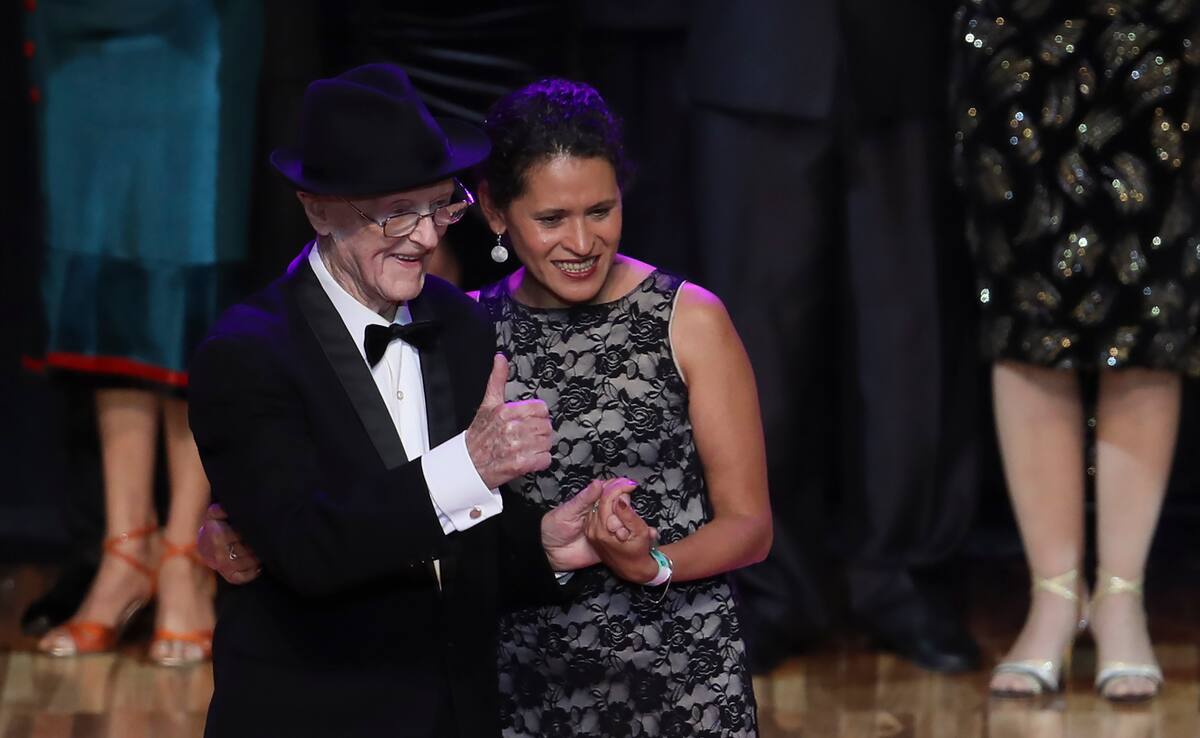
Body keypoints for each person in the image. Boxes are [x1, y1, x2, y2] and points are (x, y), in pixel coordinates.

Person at [202, 77, 772, 736]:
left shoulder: (457, 324)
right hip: (334, 709)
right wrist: (231, 529)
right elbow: (308, 540)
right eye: (395, 213)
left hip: (482, 701)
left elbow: (470, 541)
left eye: (437, 208)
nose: (422, 238)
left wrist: (549, 546)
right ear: (319, 210)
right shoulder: (249, 350)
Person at [685, 0, 982, 673]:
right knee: (755, 348)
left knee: (909, 343)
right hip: (754, 48)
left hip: (902, 54)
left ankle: (903, 578)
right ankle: (767, 582)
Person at [952, 0, 1199, 701]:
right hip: (1017, 30)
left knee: (1149, 318)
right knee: (1025, 317)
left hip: (1157, 29)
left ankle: (1122, 599)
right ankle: (1053, 598)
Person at [27, 1, 263, 666]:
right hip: (80, 36)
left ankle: (185, 556)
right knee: (99, 263)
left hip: (192, 25)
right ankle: (126, 546)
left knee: (189, 263)